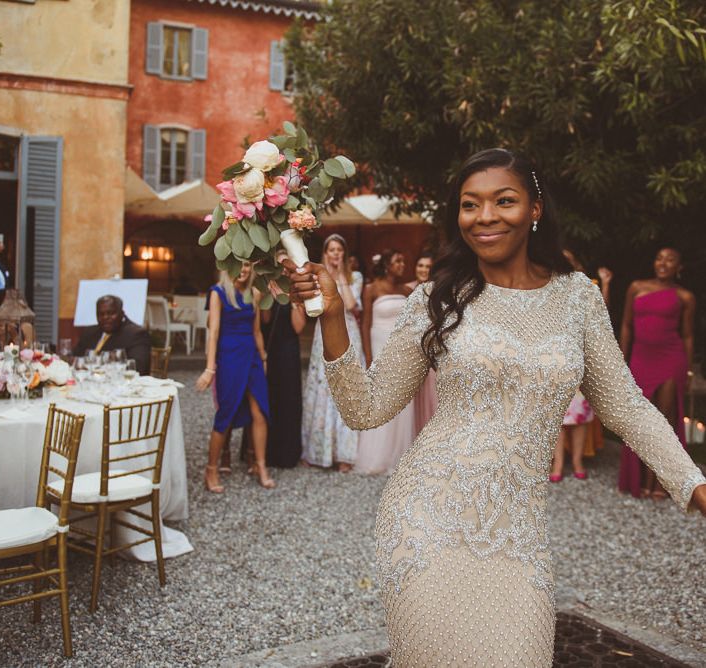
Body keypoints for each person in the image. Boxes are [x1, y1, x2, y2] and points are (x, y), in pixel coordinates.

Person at [284, 148, 706, 666]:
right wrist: (330, 317)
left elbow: (626, 408)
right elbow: (364, 409)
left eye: (503, 201)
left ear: (534, 208)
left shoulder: (578, 298)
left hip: (518, 536)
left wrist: (694, 484)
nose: (484, 216)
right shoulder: (438, 297)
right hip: (427, 522)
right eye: (469, 204)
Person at [618, 247, 695, 500]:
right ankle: (639, 478)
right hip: (641, 359)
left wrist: (687, 370)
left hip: (670, 361)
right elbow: (627, 325)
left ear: (678, 267)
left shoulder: (684, 296)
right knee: (640, 422)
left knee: (665, 423)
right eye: (659, 257)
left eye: (670, 259)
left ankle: (660, 483)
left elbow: (687, 335)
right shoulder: (636, 287)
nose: (663, 263)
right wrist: (621, 361)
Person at [195, 264, 274, 491]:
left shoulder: (254, 293)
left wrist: (264, 359)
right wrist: (210, 368)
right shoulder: (217, 292)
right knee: (226, 412)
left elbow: (257, 331)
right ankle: (211, 469)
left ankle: (261, 466)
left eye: (247, 265)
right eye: (238, 264)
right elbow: (214, 332)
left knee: (260, 411)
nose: (244, 269)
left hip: (252, 356)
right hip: (229, 357)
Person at [301, 234, 364, 471]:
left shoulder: (354, 276)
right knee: (322, 387)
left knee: (347, 387)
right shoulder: (317, 277)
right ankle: (318, 451)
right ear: (325, 254)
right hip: (324, 333)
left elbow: (349, 305)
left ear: (344, 254)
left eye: (339, 250)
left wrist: (339, 277)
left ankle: (344, 454)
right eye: (331, 250)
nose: (335, 253)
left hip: (350, 334)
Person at [550, 251, 613, 481]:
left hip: (580, 357)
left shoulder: (585, 286)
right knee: (556, 414)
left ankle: (576, 460)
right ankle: (557, 463)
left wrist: (605, 284)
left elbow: (601, 311)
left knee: (580, 414)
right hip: (553, 359)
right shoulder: (544, 284)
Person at [354, 249, 415, 474]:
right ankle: (376, 456)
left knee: (401, 400)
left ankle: (398, 455)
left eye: (403, 261)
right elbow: (365, 324)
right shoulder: (371, 289)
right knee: (380, 398)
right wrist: (369, 358)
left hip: (402, 350)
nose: (402, 264)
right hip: (379, 347)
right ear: (387, 264)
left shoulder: (407, 290)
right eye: (398, 260)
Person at [262, 274, 306, 468]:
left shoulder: (295, 293)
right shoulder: (266, 289)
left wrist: (291, 298)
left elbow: (299, 327)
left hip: (288, 349)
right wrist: (269, 295)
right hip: (269, 348)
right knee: (267, 397)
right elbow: (264, 319)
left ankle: (288, 454)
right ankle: (265, 452)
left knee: (289, 399)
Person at [75, 295, 151, 374]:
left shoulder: (136, 334)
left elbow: (138, 368)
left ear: (122, 314)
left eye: (111, 313)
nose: (105, 317)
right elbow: (76, 359)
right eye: (101, 314)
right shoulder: (89, 332)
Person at [406, 252, 438, 434]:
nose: (424, 270)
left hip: (431, 352)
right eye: (420, 266)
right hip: (410, 354)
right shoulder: (406, 290)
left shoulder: (437, 290)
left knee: (432, 398)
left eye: (428, 266)